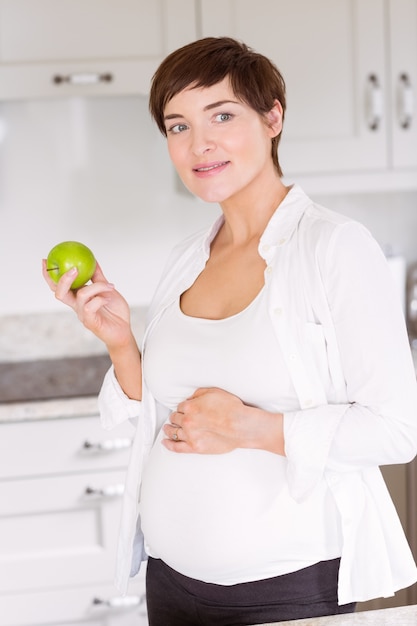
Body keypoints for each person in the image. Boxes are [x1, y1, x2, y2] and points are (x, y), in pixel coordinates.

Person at [43, 37, 417, 625]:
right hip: (170, 582)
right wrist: (119, 343)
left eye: (222, 115)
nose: (200, 144)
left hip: (283, 587)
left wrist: (252, 427)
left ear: (273, 117)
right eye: (177, 126)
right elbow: (159, 414)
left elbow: (397, 430)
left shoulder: (334, 247)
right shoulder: (188, 258)